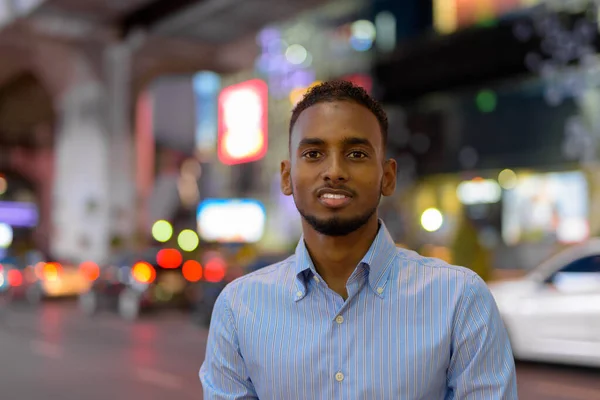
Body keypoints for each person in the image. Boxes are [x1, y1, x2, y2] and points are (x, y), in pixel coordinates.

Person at [200, 81, 517, 399]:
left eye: (356, 153)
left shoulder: (459, 300)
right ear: (287, 177)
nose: (334, 171)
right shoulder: (240, 307)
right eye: (313, 153)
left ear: (388, 176)